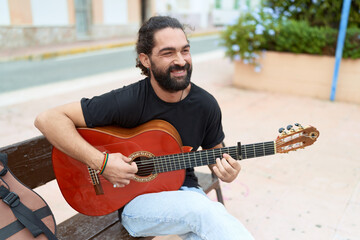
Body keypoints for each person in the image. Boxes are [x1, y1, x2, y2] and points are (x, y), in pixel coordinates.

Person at [34, 16, 254, 240]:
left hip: (186, 194)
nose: (181, 60)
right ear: (146, 60)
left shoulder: (205, 104)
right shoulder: (128, 101)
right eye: (168, 53)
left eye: (185, 50)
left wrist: (227, 170)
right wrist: (102, 162)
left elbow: (215, 155)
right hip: (135, 205)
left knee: (204, 226)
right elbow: (48, 119)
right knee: (204, 211)